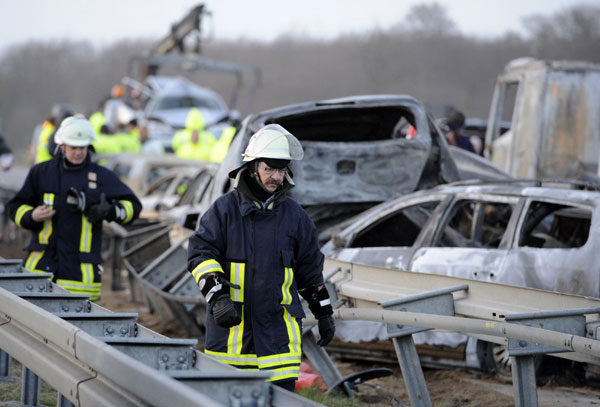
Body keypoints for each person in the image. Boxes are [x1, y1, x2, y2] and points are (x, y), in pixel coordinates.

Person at [187, 124, 335, 392]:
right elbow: (200, 254)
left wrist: (323, 311)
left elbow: (310, 272)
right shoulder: (223, 211)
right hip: (231, 341)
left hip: (280, 345)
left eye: (282, 170)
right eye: (270, 169)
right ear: (254, 167)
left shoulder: (296, 217)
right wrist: (218, 297)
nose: (276, 177)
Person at [8, 116, 141, 300]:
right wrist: (32, 215)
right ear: (62, 146)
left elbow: (134, 206)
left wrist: (110, 211)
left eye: (82, 147)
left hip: (80, 278)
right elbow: (15, 207)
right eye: (73, 147)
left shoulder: (101, 176)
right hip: (40, 269)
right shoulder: (41, 173)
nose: (78, 152)